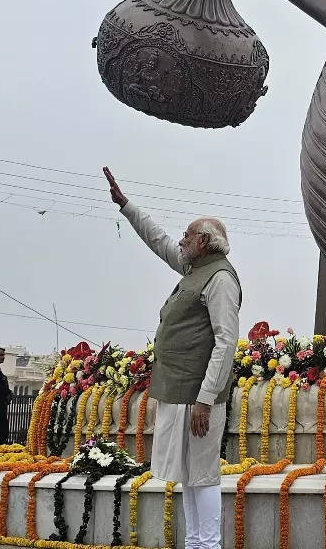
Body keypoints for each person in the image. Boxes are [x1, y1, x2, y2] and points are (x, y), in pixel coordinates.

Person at [104, 166, 239, 549]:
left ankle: (208, 545)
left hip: (198, 398)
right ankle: (194, 542)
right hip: (179, 393)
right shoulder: (194, 268)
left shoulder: (221, 279)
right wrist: (126, 206)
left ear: (204, 241)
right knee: (187, 475)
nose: (180, 240)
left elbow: (225, 342)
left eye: (187, 235)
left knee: (204, 474)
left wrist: (205, 400)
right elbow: (159, 240)